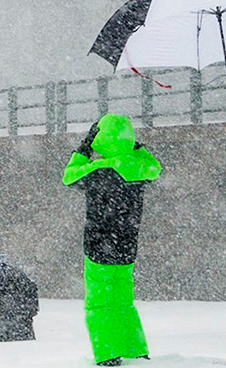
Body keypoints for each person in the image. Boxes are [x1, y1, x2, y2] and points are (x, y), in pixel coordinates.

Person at [62, 114, 161, 367]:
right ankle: (135, 350)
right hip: (127, 248)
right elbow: (154, 166)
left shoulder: (100, 170)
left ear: (101, 139)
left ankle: (107, 354)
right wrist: (135, 148)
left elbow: (69, 176)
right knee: (123, 303)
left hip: (99, 248)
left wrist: (84, 148)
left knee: (99, 304)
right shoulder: (137, 169)